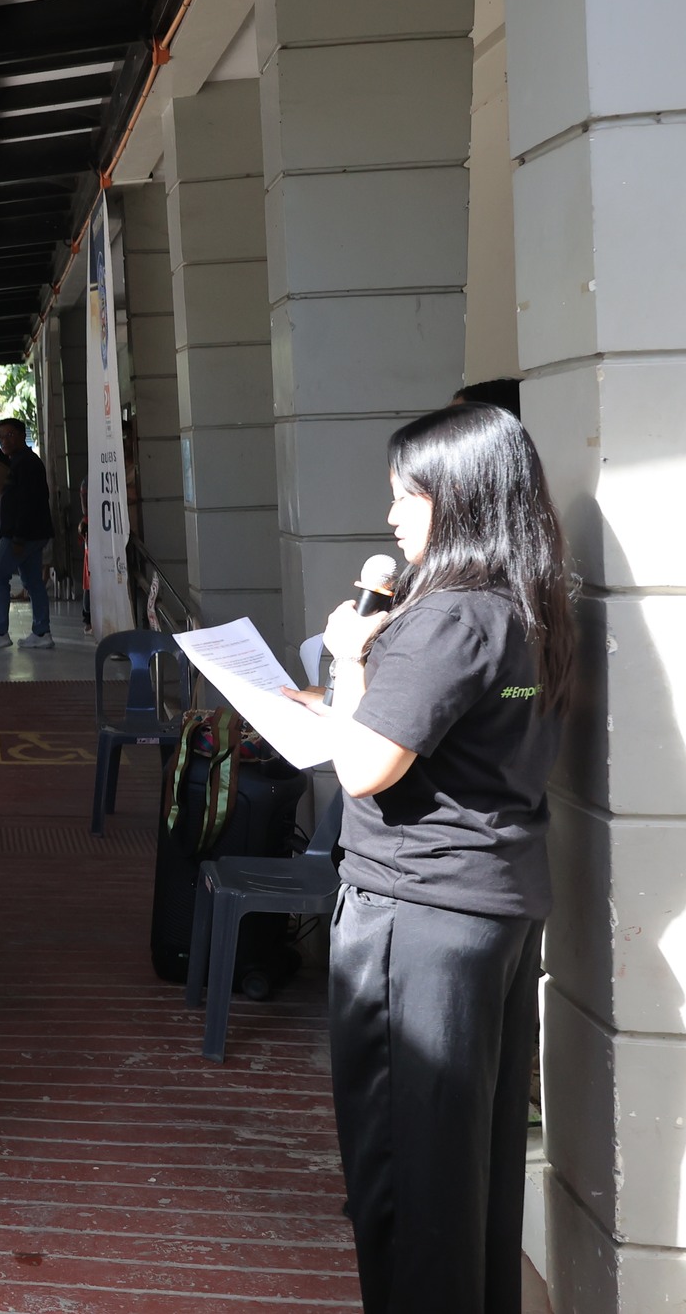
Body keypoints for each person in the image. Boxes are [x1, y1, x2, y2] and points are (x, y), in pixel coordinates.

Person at [281, 404, 573, 1314]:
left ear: (461, 495)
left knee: (406, 1180)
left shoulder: (446, 616)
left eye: (407, 494)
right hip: (492, 907)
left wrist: (349, 659)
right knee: (470, 1172)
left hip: (416, 918)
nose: (393, 516)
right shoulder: (527, 605)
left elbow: (365, 767)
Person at [0, 416, 55, 652]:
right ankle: (41, 632)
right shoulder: (20, 461)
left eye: (10, 435)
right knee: (33, 581)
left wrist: (19, 537)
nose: (4, 441)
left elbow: (27, 504)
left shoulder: (25, 463)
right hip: (32, 533)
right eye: (1, 437)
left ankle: (0, 631)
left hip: (21, 534)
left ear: (23, 436)